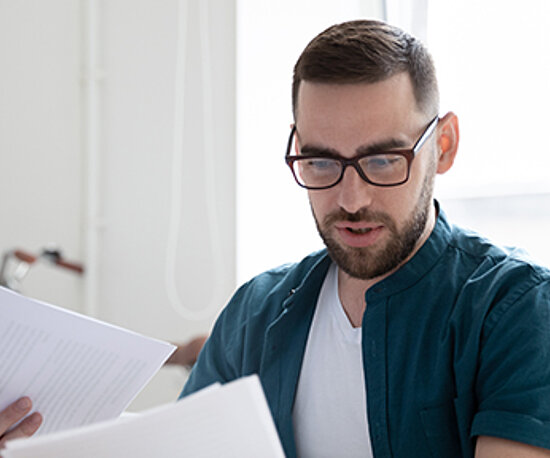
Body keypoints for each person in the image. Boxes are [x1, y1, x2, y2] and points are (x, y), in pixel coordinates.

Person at [180, 19, 550, 457]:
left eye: (382, 160)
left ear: (443, 146)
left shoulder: (516, 309)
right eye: (321, 162)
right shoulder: (253, 315)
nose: (352, 200)